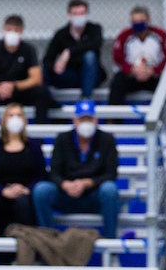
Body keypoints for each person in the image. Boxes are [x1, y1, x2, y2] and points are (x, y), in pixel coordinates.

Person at [33, 100, 120, 239]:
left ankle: (111, 243)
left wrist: (87, 183)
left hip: (94, 195)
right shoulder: (62, 139)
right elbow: (54, 172)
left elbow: (111, 174)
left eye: (89, 119)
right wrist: (65, 185)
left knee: (110, 190)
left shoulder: (107, 139)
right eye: (82, 119)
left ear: (96, 120)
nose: (86, 123)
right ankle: (48, 243)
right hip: (66, 194)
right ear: (74, 121)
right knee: (41, 190)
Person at [0, 103, 47, 264]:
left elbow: (42, 175)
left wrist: (26, 189)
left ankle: (28, 254)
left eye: (19, 115)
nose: (15, 119)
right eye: (11, 115)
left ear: (25, 120)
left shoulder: (34, 145)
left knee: (24, 204)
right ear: (3, 120)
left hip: (24, 194)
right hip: (0, 193)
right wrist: (3, 191)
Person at [0, 15, 57, 125]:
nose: (12, 33)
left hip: (19, 93)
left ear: (21, 32)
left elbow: (36, 79)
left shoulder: (29, 50)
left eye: (16, 30)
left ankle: (40, 134)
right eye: (8, 30)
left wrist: (14, 86)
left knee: (42, 92)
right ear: (3, 31)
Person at [109, 6, 166, 105]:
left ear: (149, 19)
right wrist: (132, 69)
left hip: (154, 76)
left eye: (141, 21)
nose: (138, 24)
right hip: (132, 76)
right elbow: (118, 59)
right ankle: (113, 119)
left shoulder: (161, 35)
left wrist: (153, 70)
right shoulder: (124, 36)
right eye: (135, 21)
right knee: (118, 81)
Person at [44, 0, 105, 98]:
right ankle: (46, 101)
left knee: (89, 56)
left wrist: (69, 51)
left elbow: (95, 44)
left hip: (91, 75)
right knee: (42, 71)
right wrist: (55, 66)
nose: (79, 17)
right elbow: (47, 59)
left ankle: (86, 99)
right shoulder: (61, 34)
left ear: (87, 14)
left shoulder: (94, 29)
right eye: (75, 14)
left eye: (82, 13)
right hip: (70, 75)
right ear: (69, 15)